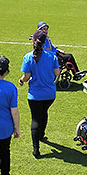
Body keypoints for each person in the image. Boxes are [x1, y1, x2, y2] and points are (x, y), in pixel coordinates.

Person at [19, 30, 60, 158]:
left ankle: (36, 149)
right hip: (49, 94)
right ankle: (41, 135)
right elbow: (57, 73)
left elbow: (26, 76)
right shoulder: (52, 56)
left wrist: (21, 80)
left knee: (35, 119)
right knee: (44, 113)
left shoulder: (28, 57)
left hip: (35, 95)